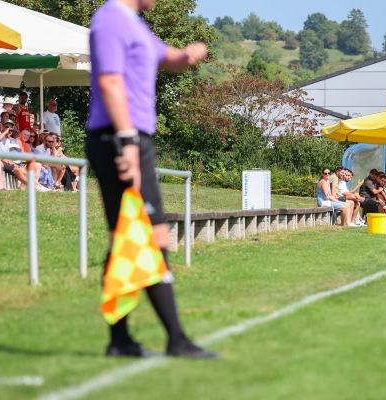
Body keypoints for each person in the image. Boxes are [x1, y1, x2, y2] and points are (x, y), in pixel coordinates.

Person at [86, 0, 217, 359]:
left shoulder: (135, 24)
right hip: (118, 136)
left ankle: (121, 339)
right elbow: (110, 81)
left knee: (127, 238)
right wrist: (127, 141)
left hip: (133, 137)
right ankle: (175, 339)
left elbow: (169, 57)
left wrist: (192, 54)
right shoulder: (110, 20)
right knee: (152, 235)